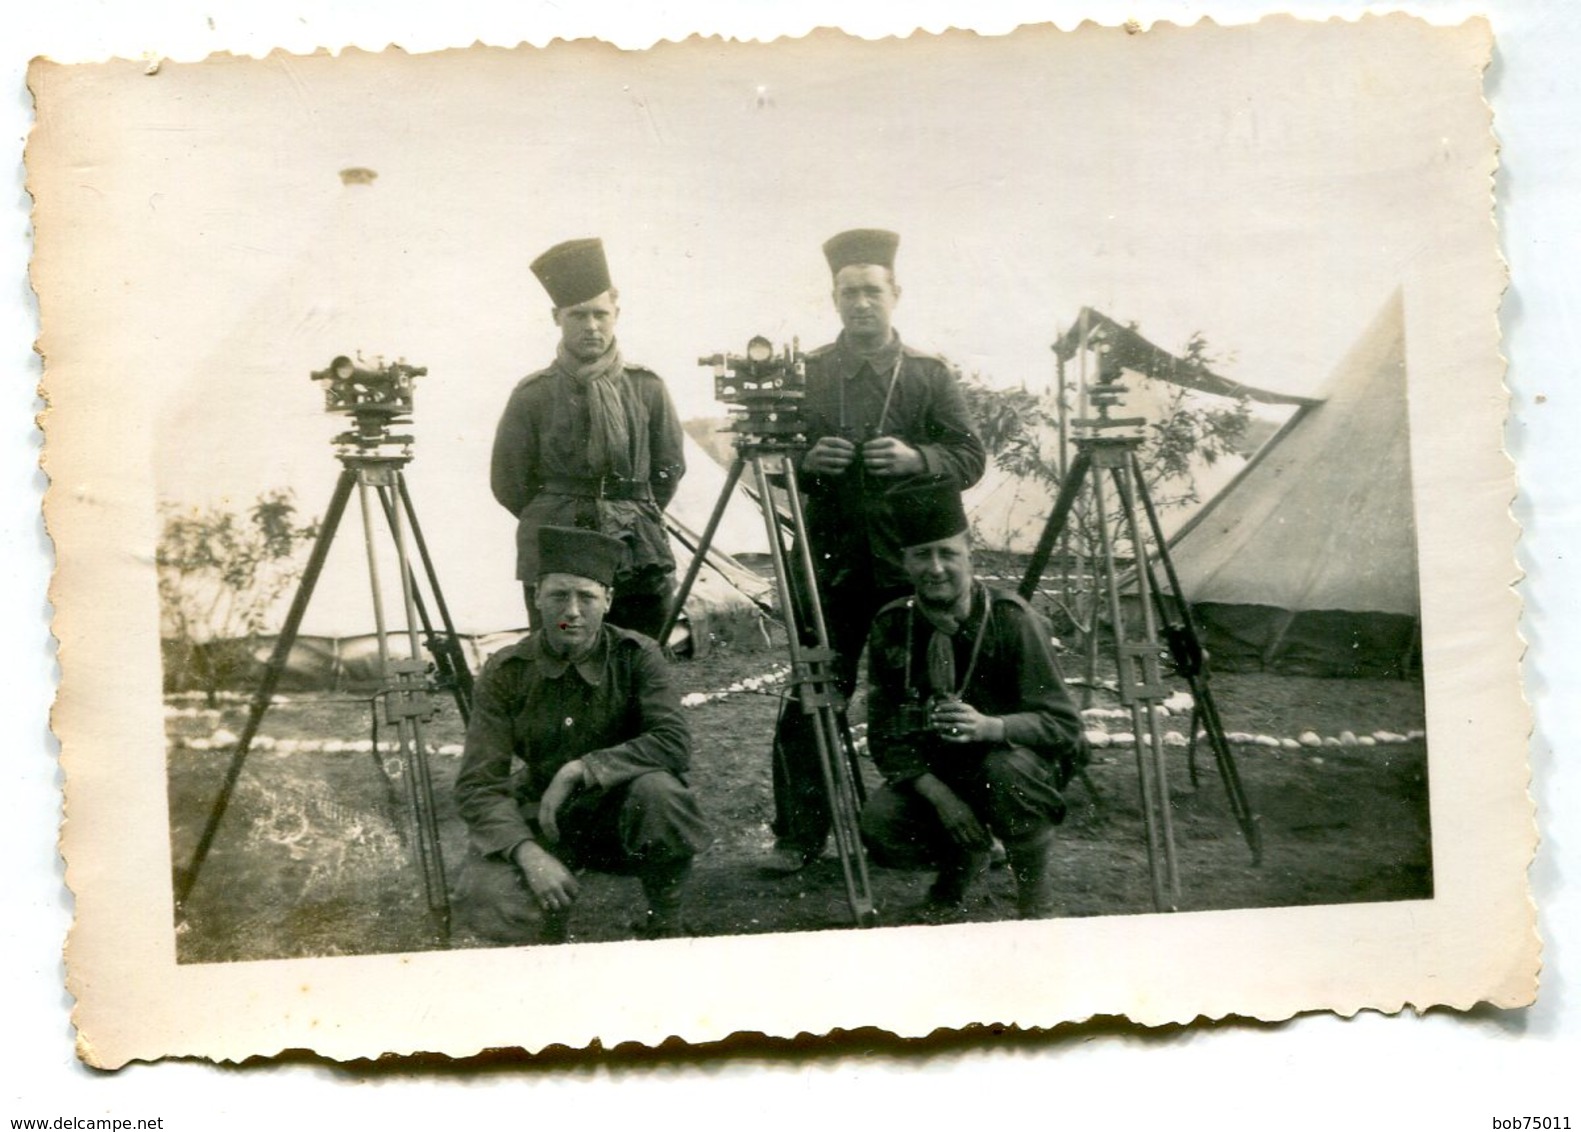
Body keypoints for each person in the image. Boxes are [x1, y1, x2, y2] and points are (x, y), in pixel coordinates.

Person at [769, 228, 987, 869]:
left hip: (913, 567)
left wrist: (919, 456)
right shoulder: (806, 373)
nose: (860, 303)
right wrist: (806, 460)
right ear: (833, 300)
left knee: (932, 695)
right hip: (827, 567)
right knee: (810, 694)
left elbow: (971, 457)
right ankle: (800, 835)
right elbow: (771, 459)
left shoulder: (927, 374)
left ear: (895, 295)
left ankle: (957, 826)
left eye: (872, 291)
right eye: (847, 293)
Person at [451, 525, 709, 944]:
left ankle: (665, 923)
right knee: (490, 900)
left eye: (586, 597)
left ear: (607, 601)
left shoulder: (637, 656)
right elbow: (479, 783)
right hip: (544, 817)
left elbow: (672, 742)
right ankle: (545, 943)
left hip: (621, 813)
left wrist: (580, 769)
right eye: (557, 595)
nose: (571, 610)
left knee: (659, 793)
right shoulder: (506, 670)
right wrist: (527, 853)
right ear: (536, 597)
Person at [860, 479, 1087, 920]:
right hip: (942, 770)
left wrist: (992, 727)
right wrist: (941, 797)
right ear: (905, 561)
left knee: (1005, 771)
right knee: (882, 821)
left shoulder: (1011, 620)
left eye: (948, 553)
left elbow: (1063, 726)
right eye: (922, 554)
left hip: (1020, 763)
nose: (936, 567)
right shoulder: (893, 626)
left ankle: (1034, 898)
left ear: (970, 557)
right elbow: (886, 733)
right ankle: (961, 866)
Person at [491, 237, 685, 640]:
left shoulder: (647, 387)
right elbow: (508, 482)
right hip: (558, 539)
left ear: (617, 313)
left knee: (640, 653)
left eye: (601, 313)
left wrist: (627, 506)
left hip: (636, 541)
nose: (591, 326)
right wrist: (559, 509)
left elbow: (669, 468)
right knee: (562, 655)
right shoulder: (534, 394)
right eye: (578, 315)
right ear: (556, 317)